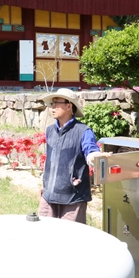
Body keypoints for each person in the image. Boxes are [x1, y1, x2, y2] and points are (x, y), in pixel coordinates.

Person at [38, 88, 111, 224]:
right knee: (45, 233)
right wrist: (45, 183)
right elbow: (50, 159)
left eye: (56, 103)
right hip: (48, 195)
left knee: (71, 236)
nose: (52, 107)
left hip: (73, 196)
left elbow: (91, 150)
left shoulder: (83, 131)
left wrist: (96, 157)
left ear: (69, 106)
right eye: (52, 104)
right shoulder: (50, 130)